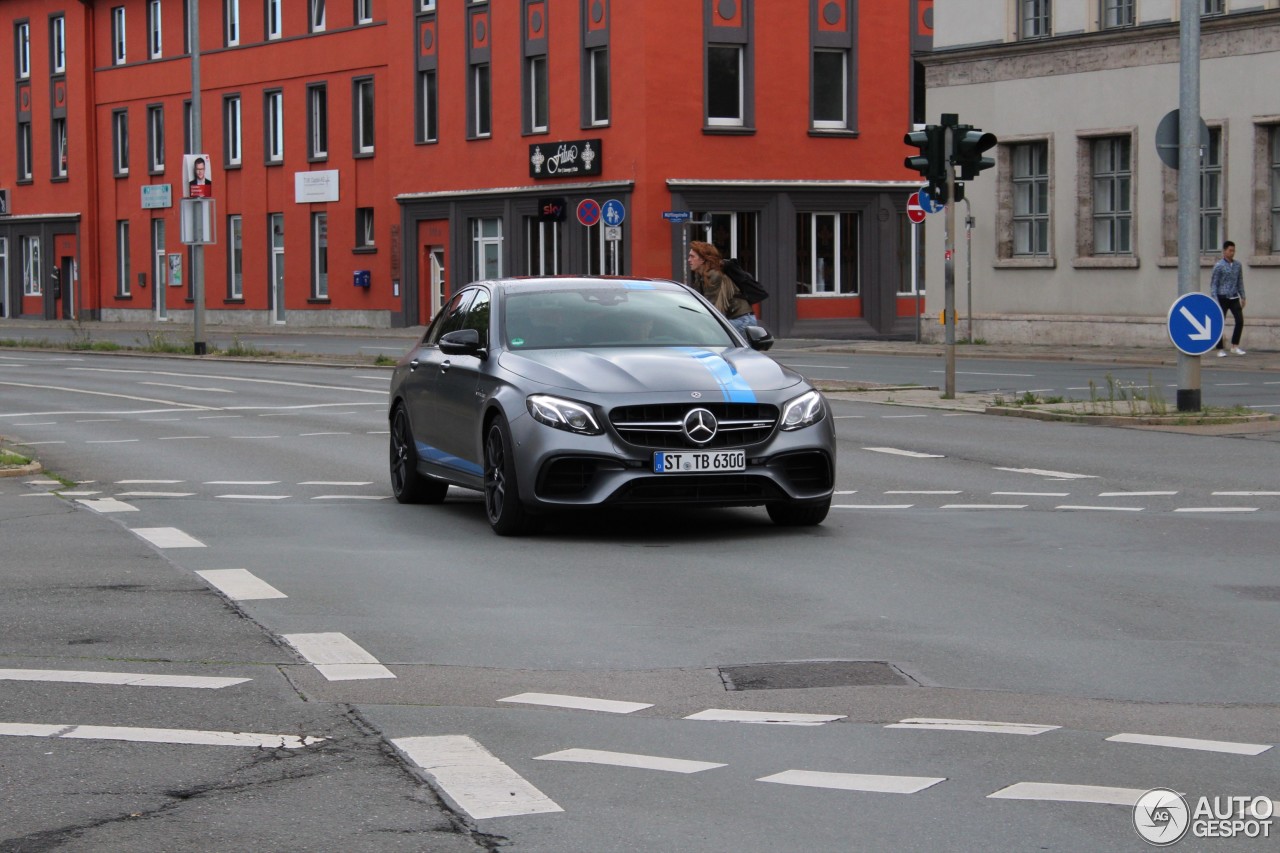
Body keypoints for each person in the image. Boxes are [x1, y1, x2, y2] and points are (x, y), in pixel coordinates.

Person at [688, 241, 756, 334]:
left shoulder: (714, 276)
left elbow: (710, 306)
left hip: (741, 321)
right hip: (733, 320)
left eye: (692, 256)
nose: (689, 260)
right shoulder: (700, 276)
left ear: (702, 259)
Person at [1210, 239, 1246, 357]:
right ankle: (1220, 348)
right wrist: (1215, 299)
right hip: (1222, 297)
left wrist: (1243, 296)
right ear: (1224, 251)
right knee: (1220, 322)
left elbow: (1240, 281)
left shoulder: (1237, 265)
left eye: (1233, 251)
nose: (1232, 253)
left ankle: (1235, 346)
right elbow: (1214, 284)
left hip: (1234, 296)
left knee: (1240, 320)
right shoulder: (1219, 266)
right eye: (1230, 250)